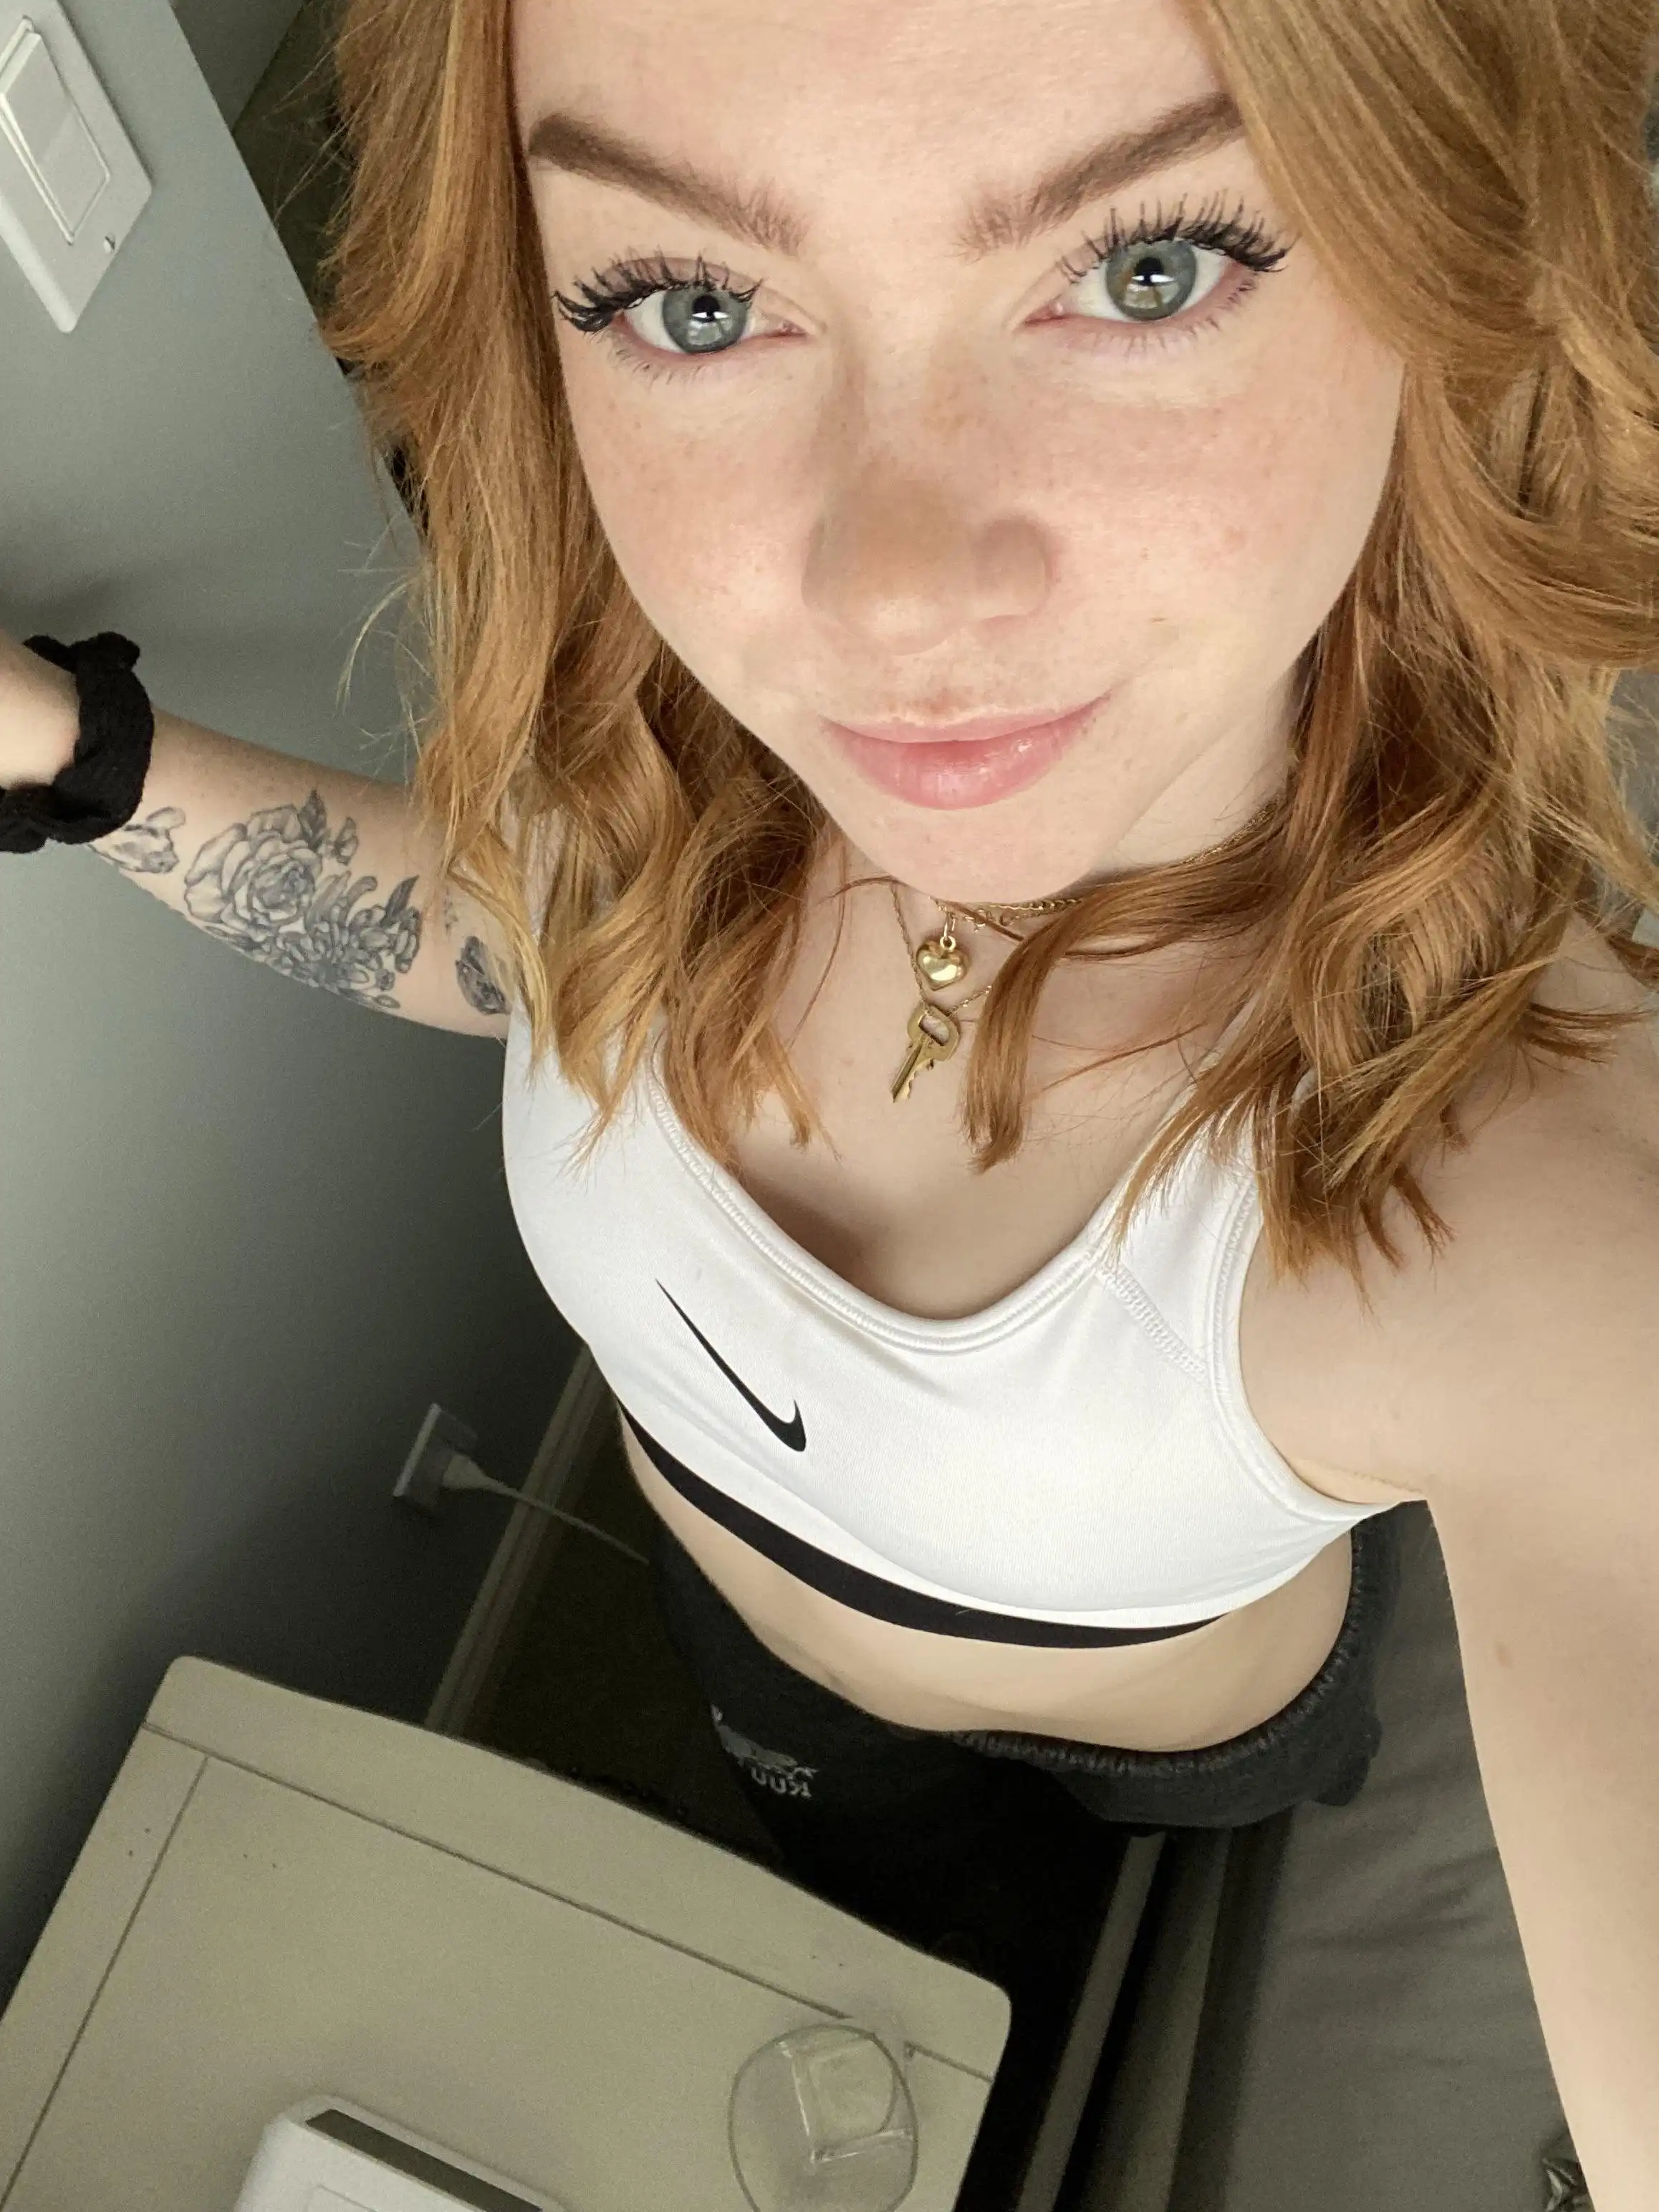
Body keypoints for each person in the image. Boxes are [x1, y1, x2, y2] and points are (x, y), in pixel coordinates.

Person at [5, 0, 1659, 2198]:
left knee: (1058, 1959)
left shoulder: (1529, 1184)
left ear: (1457, 251)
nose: (885, 598)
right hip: (756, 1670)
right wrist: (68, 756)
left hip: (1176, 1735)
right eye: (691, 303)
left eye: (1145, 267)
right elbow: (519, 954)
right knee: (902, 1945)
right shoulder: (675, 760)